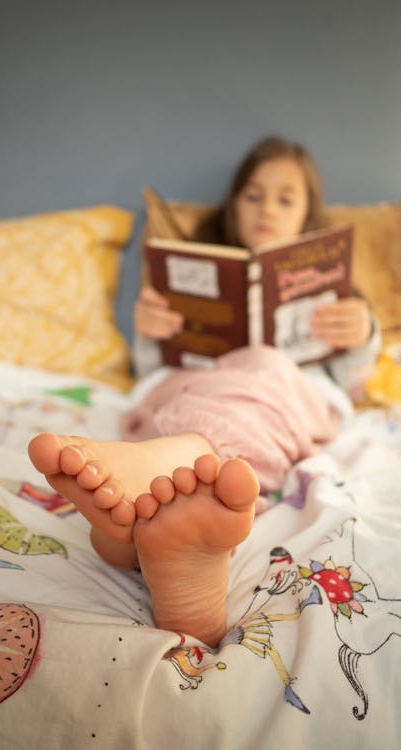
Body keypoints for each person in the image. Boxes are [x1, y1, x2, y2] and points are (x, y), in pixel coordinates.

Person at [28, 136, 381, 648]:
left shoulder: (336, 285)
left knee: (263, 366)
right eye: (253, 195)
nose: (266, 209)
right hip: (191, 383)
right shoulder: (187, 267)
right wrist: (150, 329)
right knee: (191, 394)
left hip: (282, 392)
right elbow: (151, 369)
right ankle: (167, 521)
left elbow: (352, 386)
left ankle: (142, 507)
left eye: (285, 198)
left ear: (308, 215)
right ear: (233, 202)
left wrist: (363, 332)